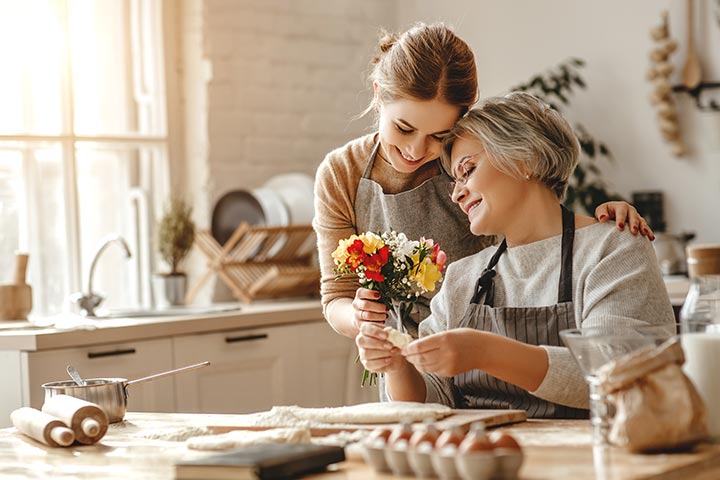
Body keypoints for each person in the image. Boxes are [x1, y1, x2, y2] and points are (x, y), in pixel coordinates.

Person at [313, 22, 653, 360]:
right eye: (404, 128)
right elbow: (336, 295)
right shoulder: (342, 173)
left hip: (488, 356)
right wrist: (362, 319)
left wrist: (602, 225)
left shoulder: (466, 159)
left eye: (438, 136)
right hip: (405, 363)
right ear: (377, 94)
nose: (416, 150)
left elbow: (536, 229)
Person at [355, 92, 675, 417]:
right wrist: (397, 367)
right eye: (454, 180)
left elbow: (618, 374)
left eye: (468, 170)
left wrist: (484, 351)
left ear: (524, 159)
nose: (456, 193)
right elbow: (431, 400)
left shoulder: (613, 249)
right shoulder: (462, 278)